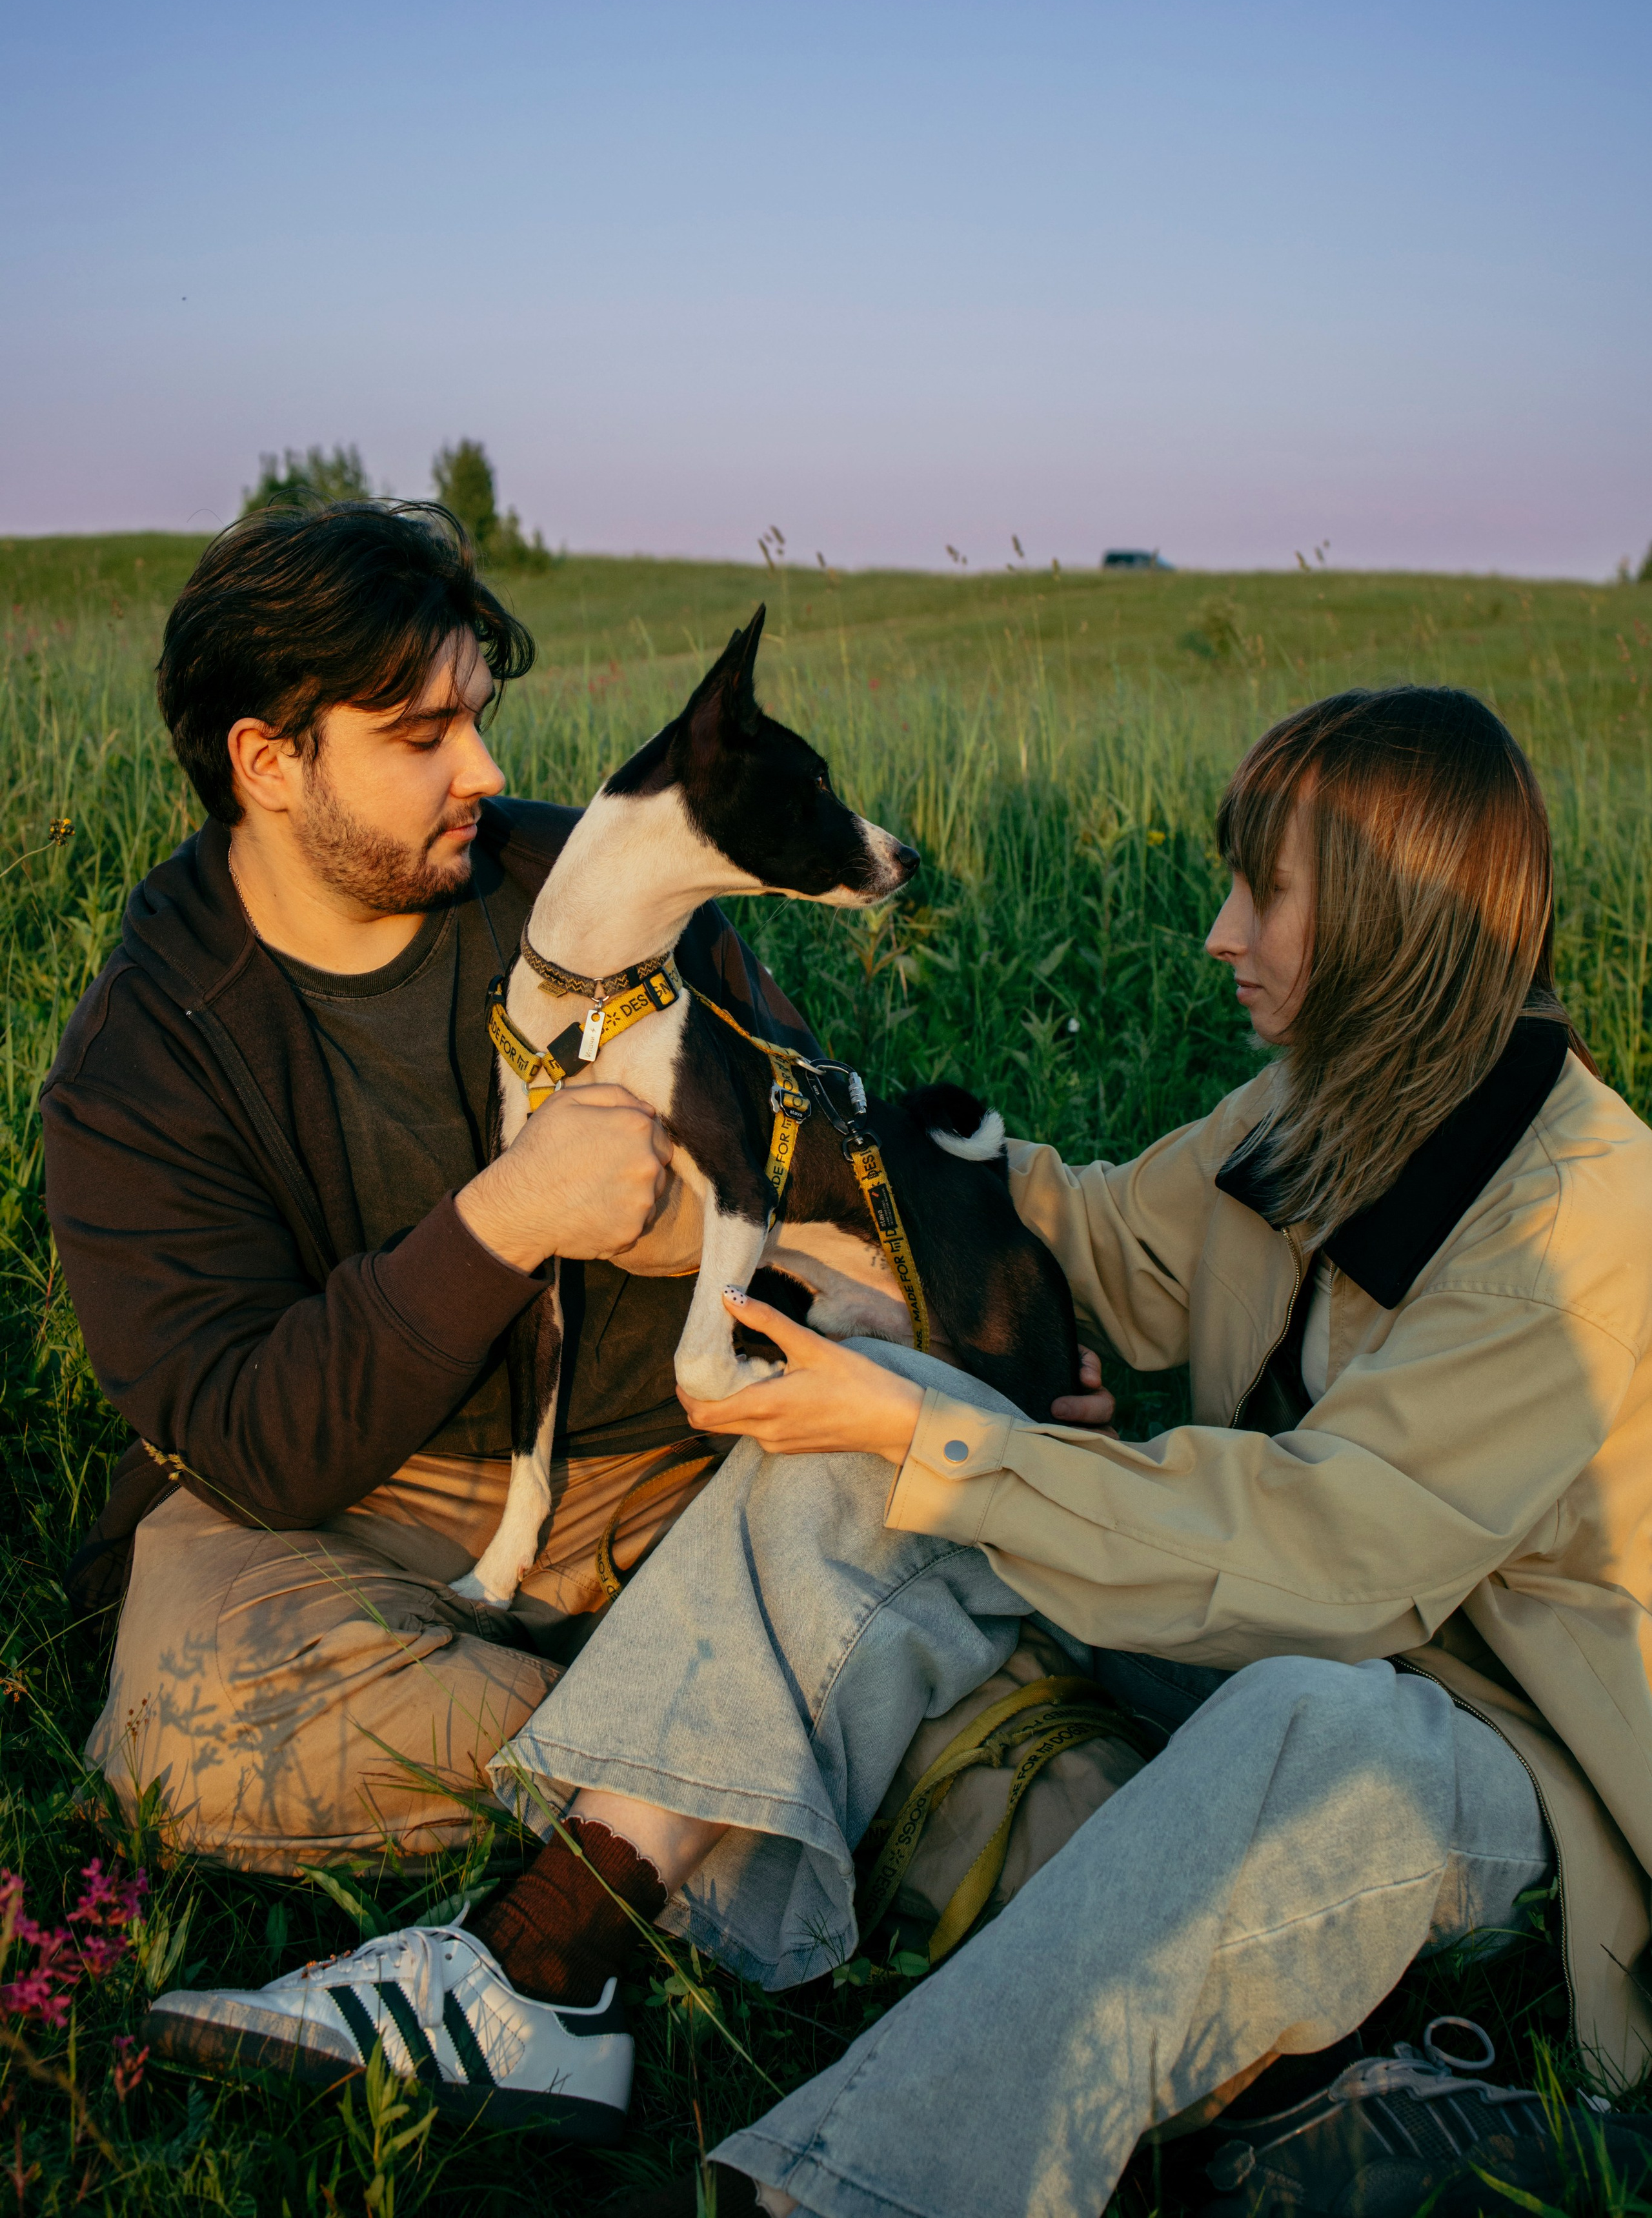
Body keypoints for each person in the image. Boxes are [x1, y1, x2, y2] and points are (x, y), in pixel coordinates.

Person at [150, 682, 1652, 2213]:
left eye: (1263, 894)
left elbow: (1335, 1564)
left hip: (1487, 1768)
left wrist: (949, 1435)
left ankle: (855, 2185)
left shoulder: (1575, 1231)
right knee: (859, 1420)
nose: (1218, 934)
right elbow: (1102, 1239)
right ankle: (541, 1966)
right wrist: (799, 1181)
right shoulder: (1333, 1102)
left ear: (1401, 920)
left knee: (1305, 1713)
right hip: (1257, 1630)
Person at [43, 497, 829, 1872]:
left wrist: (946, 1323)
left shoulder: (598, 892)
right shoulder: (146, 1053)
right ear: (267, 762)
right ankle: (742, 1748)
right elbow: (247, 1437)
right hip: (369, 1512)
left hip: (686, 1466)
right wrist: (506, 1219)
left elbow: (820, 1141)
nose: (483, 767)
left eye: (475, 716)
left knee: (924, 1520)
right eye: (422, 736)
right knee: (190, 1719)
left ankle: (673, 1772)